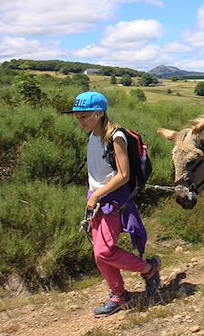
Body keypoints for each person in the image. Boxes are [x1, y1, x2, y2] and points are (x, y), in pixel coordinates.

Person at [65, 91, 160, 317]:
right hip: (96, 198)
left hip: (112, 200)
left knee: (105, 251)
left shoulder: (116, 137)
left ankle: (149, 270)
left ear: (98, 114)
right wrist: (93, 196)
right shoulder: (92, 136)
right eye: (77, 117)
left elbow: (123, 175)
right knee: (99, 254)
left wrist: (97, 196)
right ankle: (119, 294)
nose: (79, 121)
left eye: (84, 116)